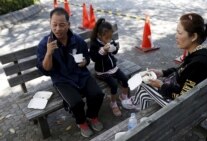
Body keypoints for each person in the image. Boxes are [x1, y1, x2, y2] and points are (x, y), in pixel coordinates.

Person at [36, 7, 104, 138]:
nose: (58, 29)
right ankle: (81, 122)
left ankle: (92, 116)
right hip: (62, 80)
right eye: (54, 25)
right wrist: (49, 53)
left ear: (68, 24)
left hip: (80, 74)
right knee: (76, 103)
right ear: (50, 23)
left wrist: (85, 62)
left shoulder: (77, 40)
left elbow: (87, 57)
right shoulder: (45, 44)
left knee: (97, 94)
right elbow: (46, 70)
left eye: (62, 25)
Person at [132, 13, 207, 110]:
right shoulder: (203, 50)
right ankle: (138, 104)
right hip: (202, 98)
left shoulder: (199, 62)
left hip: (185, 108)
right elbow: (184, 71)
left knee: (144, 83)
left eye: (179, 33)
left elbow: (182, 96)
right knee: (148, 85)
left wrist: (161, 85)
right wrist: (162, 72)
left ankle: (140, 111)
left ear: (194, 36)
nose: (176, 36)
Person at [90, 18, 134, 116]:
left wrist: (115, 48)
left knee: (125, 79)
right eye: (107, 38)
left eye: (110, 37)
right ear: (99, 36)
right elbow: (94, 58)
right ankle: (113, 103)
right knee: (113, 84)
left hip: (113, 68)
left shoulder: (110, 40)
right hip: (102, 72)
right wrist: (102, 51)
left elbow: (114, 51)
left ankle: (124, 97)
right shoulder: (94, 45)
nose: (109, 40)